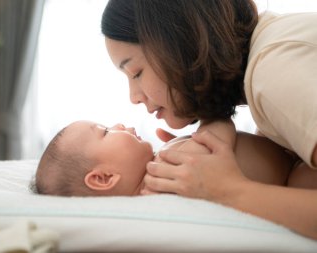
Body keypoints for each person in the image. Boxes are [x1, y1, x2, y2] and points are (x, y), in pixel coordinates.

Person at [101, 0, 317, 238]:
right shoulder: (268, 63)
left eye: (136, 73)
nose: (133, 97)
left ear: (179, 42)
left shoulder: (272, 73)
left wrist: (228, 190)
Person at [33, 119, 311, 197]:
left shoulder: (162, 165)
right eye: (105, 132)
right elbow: (220, 132)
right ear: (104, 177)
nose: (118, 125)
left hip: (285, 154)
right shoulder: (164, 173)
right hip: (295, 175)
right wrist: (211, 115)